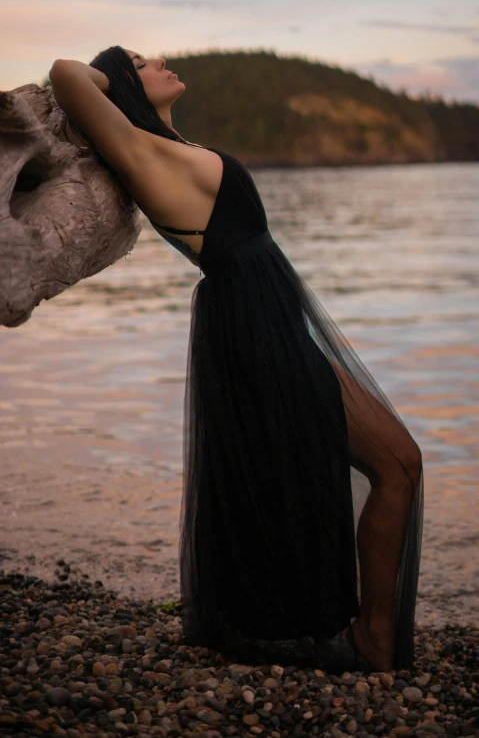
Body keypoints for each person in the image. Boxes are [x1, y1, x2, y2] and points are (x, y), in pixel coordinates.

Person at [49, 45, 424, 672]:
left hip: (271, 325)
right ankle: (371, 635)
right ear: (124, 88)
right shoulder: (141, 151)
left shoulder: (171, 146)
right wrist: (110, 76)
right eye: (142, 62)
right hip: (254, 331)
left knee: (396, 464)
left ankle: (361, 628)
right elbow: (65, 74)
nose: (160, 59)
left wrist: (124, 77)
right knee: (397, 463)